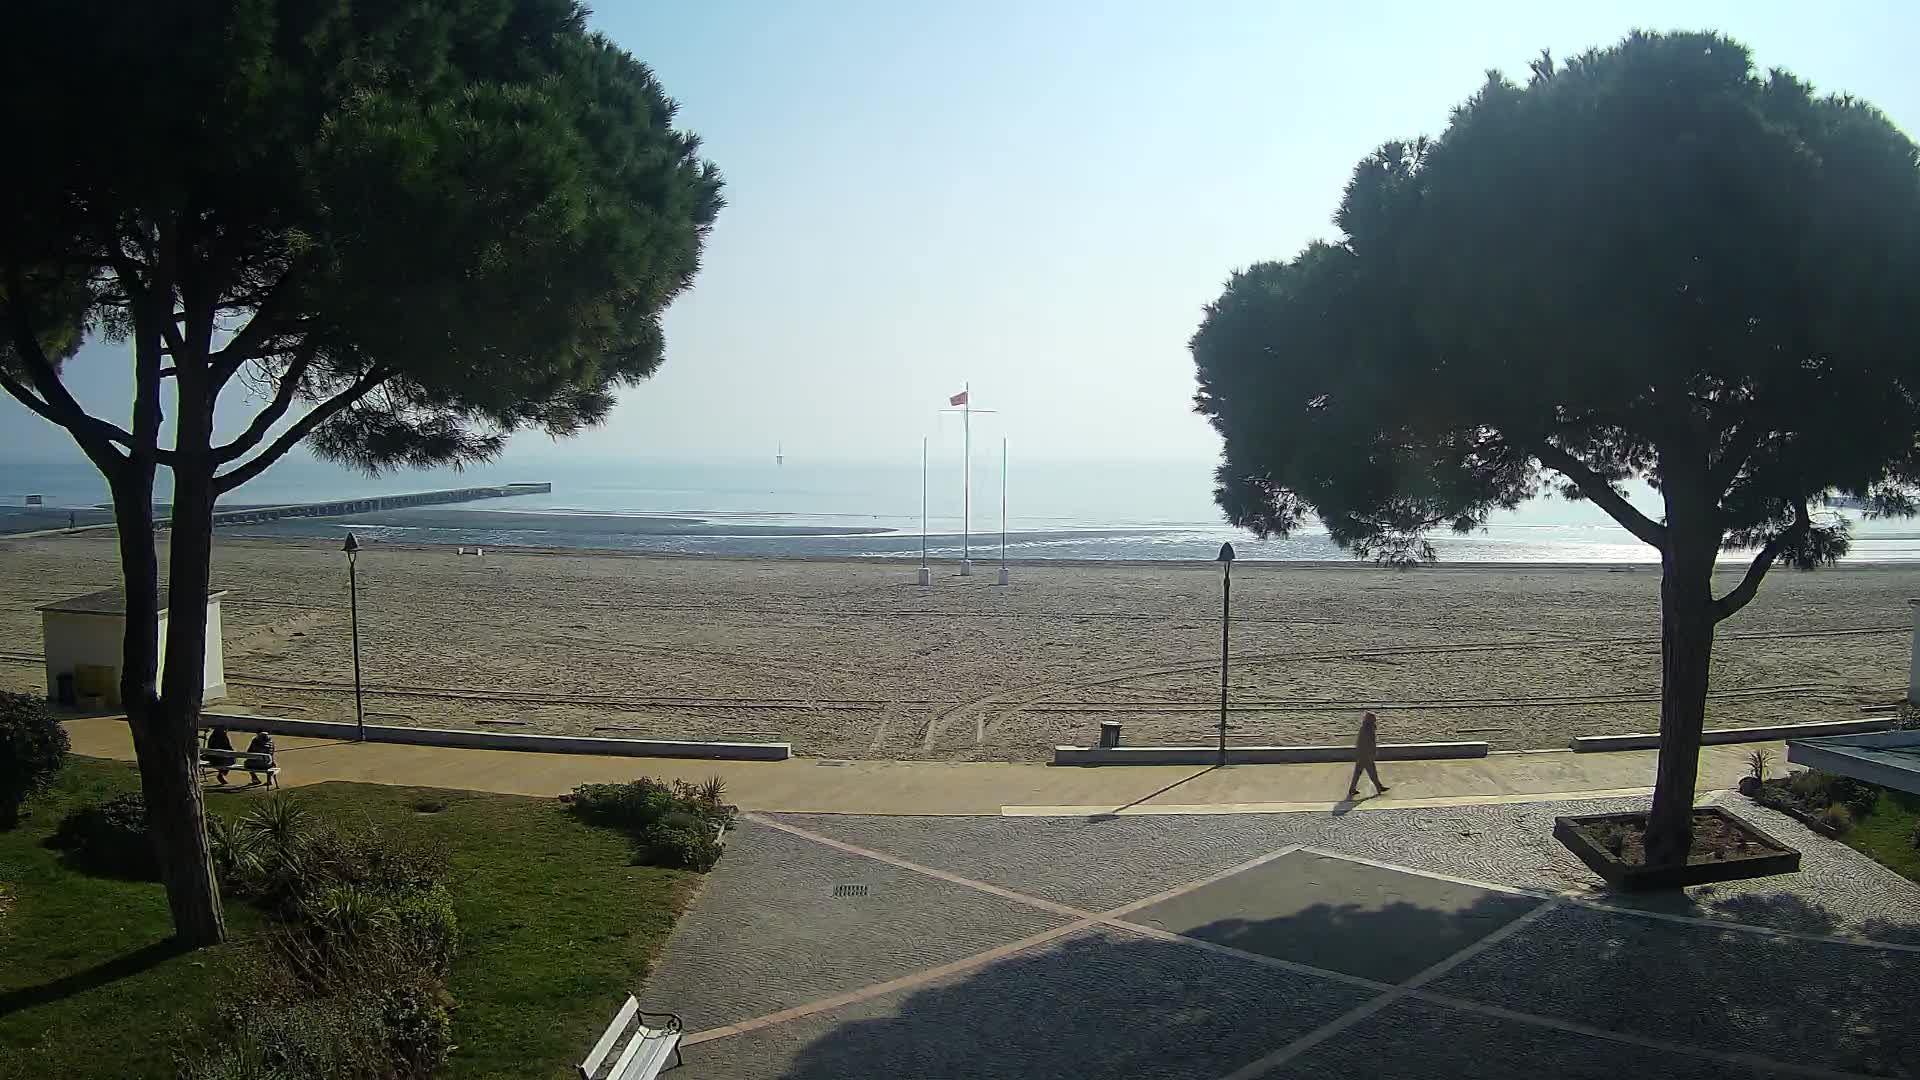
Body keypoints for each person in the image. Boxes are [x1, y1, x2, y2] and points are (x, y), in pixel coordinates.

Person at [1347, 710, 1390, 799]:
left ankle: (1352, 789)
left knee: (1358, 773)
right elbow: (1367, 743)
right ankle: (1379, 787)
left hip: (1363, 755)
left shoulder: (1367, 728)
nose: (1375, 720)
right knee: (1372, 772)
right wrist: (1371, 753)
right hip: (1366, 755)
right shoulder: (1367, 729)